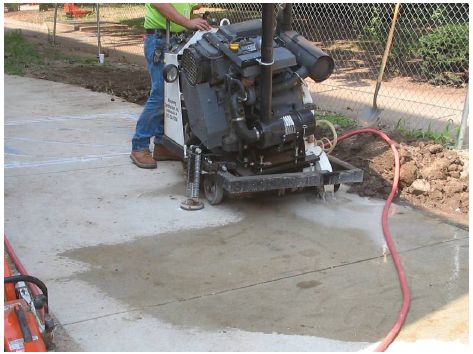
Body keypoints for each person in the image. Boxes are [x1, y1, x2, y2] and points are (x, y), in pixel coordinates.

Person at [130, 3, 211, 169]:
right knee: (160, 95)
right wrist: (188, 22)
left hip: (173, 38)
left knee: (171, 94)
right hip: (161, 39)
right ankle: (139, 145)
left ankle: (162, 145)